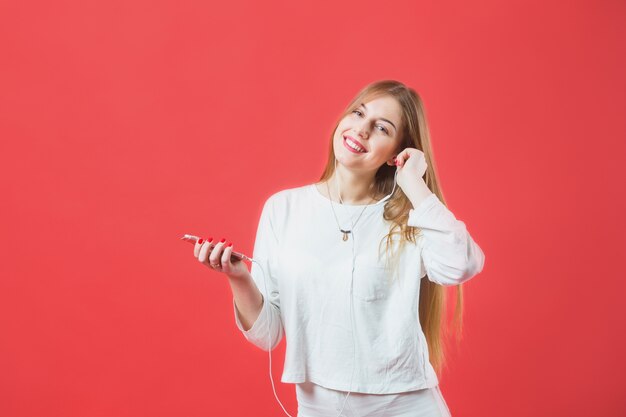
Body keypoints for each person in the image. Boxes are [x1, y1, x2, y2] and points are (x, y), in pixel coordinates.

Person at [192, 80, 485, 417]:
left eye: (381, 128)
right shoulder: (284, 209)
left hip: (406, 405)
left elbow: (460, 265)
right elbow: (268, 335)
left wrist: (414, 184)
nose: (361, 130)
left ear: (396, 153)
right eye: (359, 113)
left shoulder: (410, 215)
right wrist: (238, 277)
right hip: (320, 408)